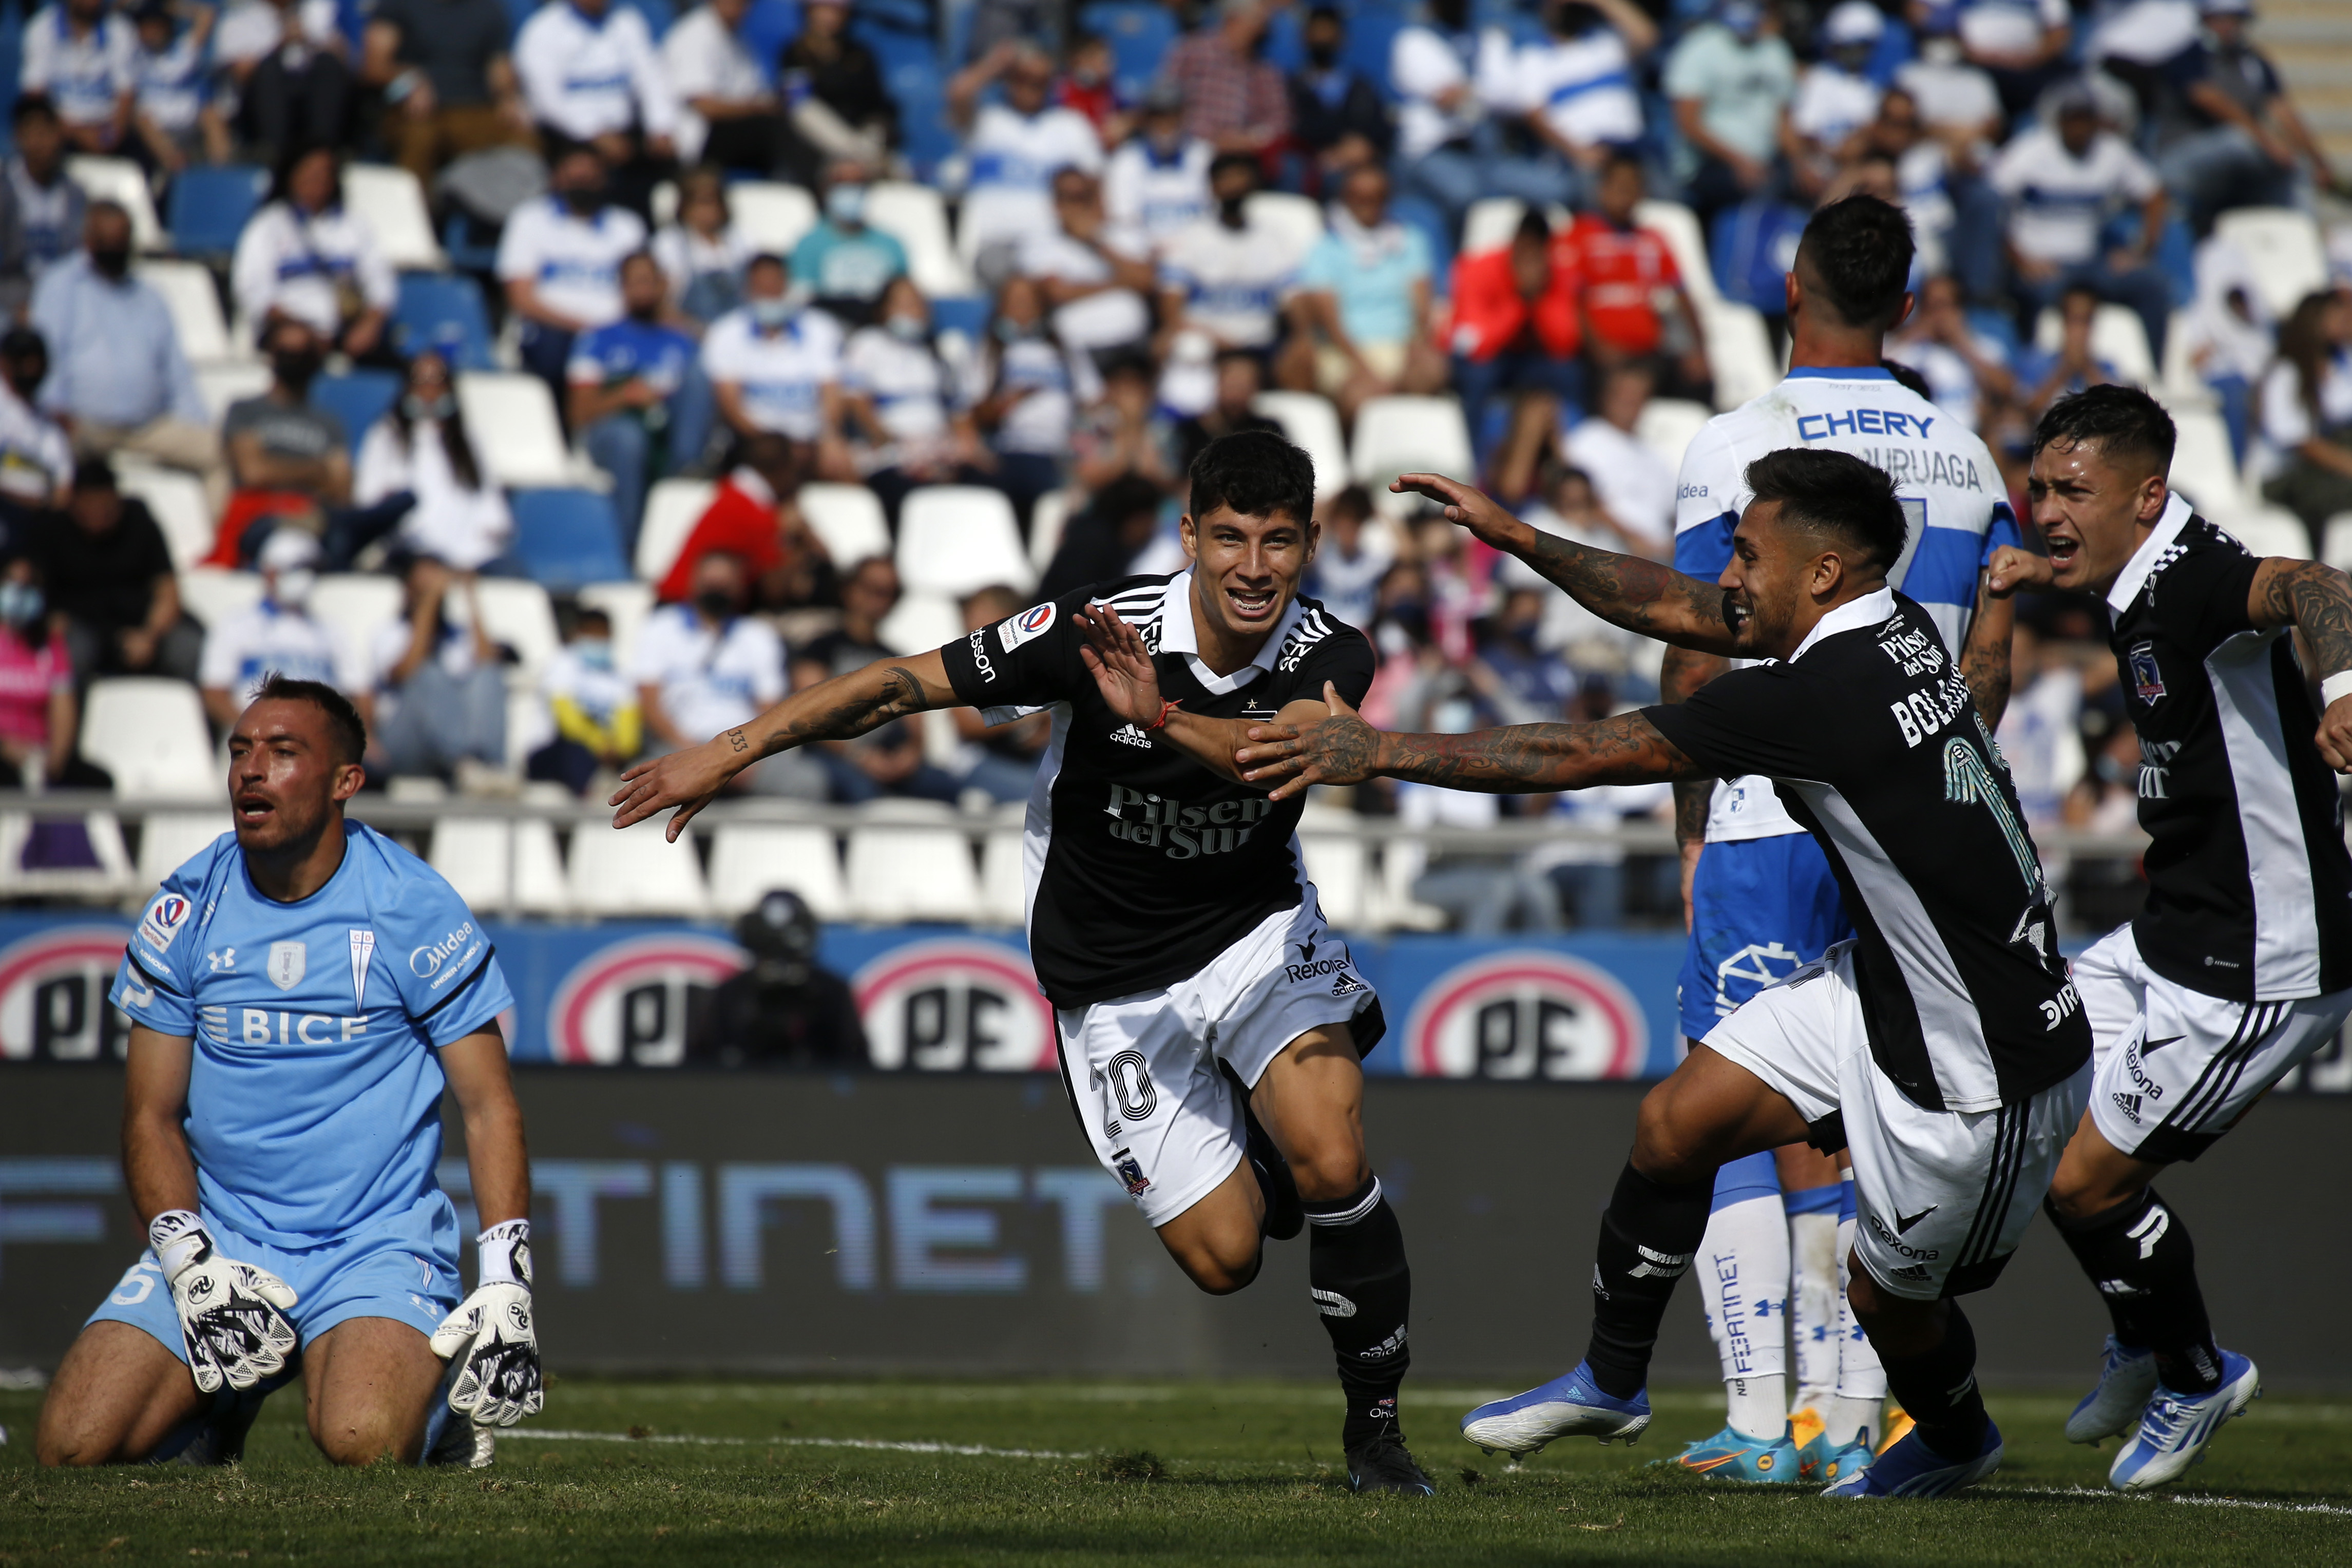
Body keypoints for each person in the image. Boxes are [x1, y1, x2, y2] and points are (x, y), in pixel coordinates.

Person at [1239, 443, 2087, 1500]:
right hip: (1887, 988)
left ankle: (1958, 1436)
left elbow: (1578, 755)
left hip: (1983, 1063)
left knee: (1886, 1300)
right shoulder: (1896, 624)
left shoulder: (1812, 699)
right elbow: (1685, 607)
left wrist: (1375, 752)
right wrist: (1517, 538)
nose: (1727, 577)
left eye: (1745, 554)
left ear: (1818, 574)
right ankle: (1612, 1379)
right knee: (1674, 1126)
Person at [614, 429, 1432, 1494]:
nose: (1251, 567)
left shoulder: (1333, 654)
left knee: (1334, 1154)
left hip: (1252, 933)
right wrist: (726, 751)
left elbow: (1266, 758)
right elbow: (900, 687)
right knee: (1226, 1258)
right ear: (1187, 538)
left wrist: (1163, 715)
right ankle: (1254, 1153)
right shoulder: (1092, 631)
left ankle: (1376, 1436)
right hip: (1110, 973)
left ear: (1311, 545)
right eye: (1227, 538)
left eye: (1278, 542)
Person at [1650, 193, 2020, 1484]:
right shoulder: (1966, 456)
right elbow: (1987, 659)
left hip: (1766, 805)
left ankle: (1763, 1420)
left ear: (1788, 291)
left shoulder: (1742, 441)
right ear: (1905, 304)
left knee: (1728, 1103)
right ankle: (1851, 1417)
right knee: (1863, 1109)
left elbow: (1706, 629)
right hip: (1915, 829)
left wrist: (1690, 822)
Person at [1982, 385, 2352, 1488]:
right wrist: (2015, 585)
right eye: (2038, 486)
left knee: (2084, 1186)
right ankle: (2141, 1338)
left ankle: (2193, 1372)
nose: (2045, 509)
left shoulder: (2192, 579)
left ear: (2146, 496)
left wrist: (2342, 684)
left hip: (2261, 965)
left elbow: (2315, 583)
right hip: (2167, 936)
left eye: (2070, 492)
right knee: (2030, 1093)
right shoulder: (2129, 573)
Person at [34, 675, 536, 1469]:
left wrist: (507, 1281)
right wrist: (189, 1261)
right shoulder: (186, 906)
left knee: (361, 1440)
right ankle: (220, 1405)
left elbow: (489, 1106)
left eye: (282, 751)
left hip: (376, 1239)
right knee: (73, 1447)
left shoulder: (414, 904)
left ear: (346, 782)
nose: (250, 769)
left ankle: (438, 1413)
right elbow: (149, 1117)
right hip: (225, 1234)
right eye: (240, 750)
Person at [33, 203, 222, 505]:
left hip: (147, 427)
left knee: (220, 450)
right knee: (49, 455)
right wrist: (57, 412)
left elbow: (176, 370)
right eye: (108, 242)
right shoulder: (61, 286)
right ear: (90, 240)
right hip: (84, 426)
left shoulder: (149, 297)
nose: (115, 249)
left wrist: (195, 421)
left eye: (121, 241)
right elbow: (47, 356)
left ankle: (214, 549)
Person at [1988, 84, 2174, 367]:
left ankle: (2157, 372)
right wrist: (2020, 260)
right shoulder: (2031, 151)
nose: (2079, 128)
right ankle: (2030, 371)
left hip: (2091, 262)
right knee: (2036, 296)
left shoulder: (2111, 152)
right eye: (2073, 120)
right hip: (2042, 265)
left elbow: (2155, 196)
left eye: (2085, 120)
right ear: (2060, 122)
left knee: (2151, 285)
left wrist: (2141, 251)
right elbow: (1992, 205)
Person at [2158, 0, 2344, 234]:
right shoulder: (2188, 55)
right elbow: (2207, 97)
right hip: (2183, 158)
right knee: (2240, 141)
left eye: (2236, 20)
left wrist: (2318, 162)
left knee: (2295, 167)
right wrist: (2265, 140)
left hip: (2240, 159)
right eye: (2223, 19)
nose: (2230, 27)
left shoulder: (2251, 61)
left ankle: (2301, 242)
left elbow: (2281, 110)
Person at [1286, 161, 1446, 421]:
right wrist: (1364, 367)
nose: (1368, 204)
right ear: (1346, 199)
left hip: (1400, 346)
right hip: (1347, 350)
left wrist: (1416, 347)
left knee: (1431, 372)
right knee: (1363, 398)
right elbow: (1330, 320)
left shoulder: (1411, 240)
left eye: (1377, 198)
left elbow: (1421, 304)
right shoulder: (1325, 248)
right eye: (1359, 197)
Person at [567, 251, 703, 557]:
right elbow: (578, 413)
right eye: (635, 282)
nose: (643, 290)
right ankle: (628, 545)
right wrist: (626, 395)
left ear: (662, 285)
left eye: (649, 281)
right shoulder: (599, 338)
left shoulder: (682, 341)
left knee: (702, 373)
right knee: (629, 440)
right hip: (613, 430)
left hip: (668, 433)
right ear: (621, 287)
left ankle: (684, 475)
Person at [630, 547, 792, 793]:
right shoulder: (661, 628)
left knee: (805, 781)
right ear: (695, 583)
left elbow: (769, 707)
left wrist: (743, 755)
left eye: (724, 585)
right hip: (678, 747)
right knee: (639, 786)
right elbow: (650, 704)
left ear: (739, 587)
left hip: (744, 752)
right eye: (710, 584)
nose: (717, 591)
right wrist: (697, 756)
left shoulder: (759, 635)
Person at [496, 148, 649, 400]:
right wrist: (584, 327)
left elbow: (641, 288)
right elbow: (520, 297)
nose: (582, 183)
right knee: (554, 352)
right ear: (557, 178)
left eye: (589, 177)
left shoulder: (627, 226)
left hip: (616, 332)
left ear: (603, 180)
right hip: (551, 329)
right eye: (575, 176)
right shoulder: (530, 219)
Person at [1560, 152, 1713, 402]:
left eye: (1633, 188)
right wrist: (1597, 347)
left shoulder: (1653, 240)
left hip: (1649, 354)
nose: (1626, 195)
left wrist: (1698, 350)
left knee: (1699, 384)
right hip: (1601, 356)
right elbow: (1571, 300)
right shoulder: (1578, 235)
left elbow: (1682, 296)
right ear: (1602, 189)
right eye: (1619, 187)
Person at [35, 454, 199, 683]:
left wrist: (149, 636)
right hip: (84, 628)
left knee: (189, 648)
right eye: (89, 507)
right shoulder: (53, 530)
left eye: (105, 508)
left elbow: (168, 590)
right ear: (74, 502)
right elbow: (41, 599)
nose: (98, 516)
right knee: (71, 655)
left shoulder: (139, 519)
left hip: (143, 627)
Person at [842, 276, 989, 526]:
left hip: (938, 451)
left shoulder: (940, 353)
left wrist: (965, 449)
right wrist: (902, 447)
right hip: (890, 453)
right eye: (902, 304)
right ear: (883, 310)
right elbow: (859, 406)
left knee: (986, 482)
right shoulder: (867, 345)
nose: (911, 312)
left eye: (916, 304)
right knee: (903, 493)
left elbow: (960, 415)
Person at [232, 145, 398, 364]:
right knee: (294, 344)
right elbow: (252, 288)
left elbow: (380, 279)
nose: (316, 179)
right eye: (309, 171)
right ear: (291, 175)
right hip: (289, 329)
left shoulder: (355, 225)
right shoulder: (267, 225)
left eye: (324, 172)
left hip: (345, 331)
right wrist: (303, 330)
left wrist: (371, 323)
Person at [512, 0, 679, 214]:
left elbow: (650, 77)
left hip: (625, 131)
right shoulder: (543, 30)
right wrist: (595, 134)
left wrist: (661, 126)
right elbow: (547, 101)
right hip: (569, 135)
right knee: (585, 170)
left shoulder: (626, 21)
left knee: (666, 163)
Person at [355, 350, 513, 574]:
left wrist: (484, 540)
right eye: (420, 381)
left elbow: (492, 504)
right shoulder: (386, 436)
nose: (429, 390)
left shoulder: (470, 439)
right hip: (411, 548)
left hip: (471, 553)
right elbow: (368, 498)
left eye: (436, 381)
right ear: (407, 387)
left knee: (512, 575)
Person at [197, 527, 371, 730]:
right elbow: (213, 695)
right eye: (298, 569)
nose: (307, 578)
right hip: (257, 738)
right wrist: (256, 734)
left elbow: (362, 694)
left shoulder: (332, 630)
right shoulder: (236, 625)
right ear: (270, 572)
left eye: (312, 570)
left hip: (321, 743)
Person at [948, 41, 1105, 265]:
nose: (1030, 86)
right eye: (1022, 78)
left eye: (1040, 81)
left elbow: (1097, 186)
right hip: (994, 245)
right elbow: (959, 93)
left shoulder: (1072, 125)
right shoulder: (986, 122)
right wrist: (995, 64)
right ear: (1009, 79)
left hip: (1056, 245)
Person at [1448, 211, 1584, 469]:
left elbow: (1566, 342)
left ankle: (1574, 463)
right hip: (1488, 359)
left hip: (1532, 360)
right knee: (1478, 375)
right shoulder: (1478, 267)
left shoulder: (1558, 275)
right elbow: (1476, 345)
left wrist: (1538, 297)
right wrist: (1520, 300)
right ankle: (1474, 465)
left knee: (1570, 374)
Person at [701, 254, 850, 479]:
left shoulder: (821, 328)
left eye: (776, 285)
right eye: (762, 287)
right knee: (772, 461)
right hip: (754, 440)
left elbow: (831, 392)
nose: (770, 293)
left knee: (843, 465)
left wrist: (828, 436)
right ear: (748, 289)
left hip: (811, 439)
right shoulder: (726, 332)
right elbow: (731, 405)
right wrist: (780, 447)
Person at [685, 889, 868, 1067]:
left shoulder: (831, 992)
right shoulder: (732, 993)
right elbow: (702, 1066)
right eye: (769, 958)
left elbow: (858, 1065)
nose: (780, 970)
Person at [369, 556, 508, 786]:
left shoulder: (457, 635)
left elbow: (488, 662)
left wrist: (470, 595)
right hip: (402, 742)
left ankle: (488, 767)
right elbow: (406, 673)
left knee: (489, 676)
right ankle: (464, 762)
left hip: (453, 748)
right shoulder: (389, 632)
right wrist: (430, 600)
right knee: (429, 674)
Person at [361, 0, 533, 185]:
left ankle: (517, 212)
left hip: (474, 110)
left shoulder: (490, 8)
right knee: (421, 138)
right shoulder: (398, 5)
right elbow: (373, 68)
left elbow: (499, 67)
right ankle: (416, 210)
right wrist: (408, 82)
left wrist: (508, 98)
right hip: (413, 111)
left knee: (525, 140)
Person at [1501, 0, 1655, 206]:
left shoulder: (1606, 42)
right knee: (1594, 204)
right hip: (1583, 157)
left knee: (1671, 201)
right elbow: (1534, 115)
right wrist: (1577, 152)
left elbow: (1647, 36)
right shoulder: (1535, 57)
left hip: (1632, 151)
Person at [1663, 0, 1798, 233]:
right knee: (1759, 188)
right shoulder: (1699, 47)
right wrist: (1740, 161)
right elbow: (1688, 124)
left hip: (1765, 161)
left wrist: (1803, 162)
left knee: (1802, 185)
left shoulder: (1774, 50)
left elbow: (1784, 123)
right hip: (1709, 164)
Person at [1157, 153, 1304, 361]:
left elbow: (1293, 299)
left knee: (1301, 356)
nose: (1234, 186)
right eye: (1226, 179)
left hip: (1260, 346)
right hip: (1206, 345)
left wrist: (1302, 339)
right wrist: (1212, 338)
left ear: (1254, 184)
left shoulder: (1274, 238)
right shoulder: (1188, 238)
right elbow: (1171, 307)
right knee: (1183, 347)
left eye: (1240, 177)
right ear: (1212, 188)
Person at [654, 432, 819, 605]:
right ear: (783, 469)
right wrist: (800, 543)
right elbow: (775, 590)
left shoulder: (733, 493)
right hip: (687, 611)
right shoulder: (755, 513)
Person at [970, 275, 1077, 532]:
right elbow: (973, 410)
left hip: (1060, 452)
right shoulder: (990, 350)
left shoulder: (1063, 348)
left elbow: (1091, 399)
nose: (1022, 310)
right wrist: (1007, 403)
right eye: (1014, 302)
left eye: (1028, 301)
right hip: (1010, 451)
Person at [1020, 166, 1156, 363]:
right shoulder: (1041, 243)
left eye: (1085, 197)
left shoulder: (1122, 234)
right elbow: (1056, 292)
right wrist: (1122, 283)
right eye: (1071, 199)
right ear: (1057, 205)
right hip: (1078, 351)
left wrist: (1097, 243)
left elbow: (1146, 281)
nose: (1080, 207)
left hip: (1132, 346)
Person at [0, 552, 109, 788]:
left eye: (28, 586)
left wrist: (53, 761)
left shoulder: (50, 646)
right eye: (12, 583)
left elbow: (63, 711)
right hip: (3, 755)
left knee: (99, 782)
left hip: (38, 753)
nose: (19, 593)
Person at [2257, 290, 2352, 552]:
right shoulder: (2286, 372)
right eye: (2338, 315)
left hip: (2325, 472)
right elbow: (2300, 443)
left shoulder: (2338, 367)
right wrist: (2347, 464)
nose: (2347, 321)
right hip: (2286, 478)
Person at [215, 0, 354, 159]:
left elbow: (345, 61)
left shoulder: (318, 11)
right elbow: (243, 75)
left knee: (327, 65)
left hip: (309, 96)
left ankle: (322, 155)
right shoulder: (241, 17)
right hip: (257, 110)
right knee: (270, 71)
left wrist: (311, 41)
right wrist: (281, 43)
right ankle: (276, 156)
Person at [661, 0, 788, 173]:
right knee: (771, 129)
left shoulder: (739, 40)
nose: (738, 6)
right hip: (698, 139)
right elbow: (704, 106)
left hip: (732, 130)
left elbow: (755, 90)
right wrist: (758, 108)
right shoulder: (693, 35)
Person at [528, 604, 641, 795]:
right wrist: (602, 746)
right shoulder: (561, 665)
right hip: (555, 752)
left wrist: (620, 750)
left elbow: (629, 729)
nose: (598, 640)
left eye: (602, 635)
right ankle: (592, 795)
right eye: (592, 634)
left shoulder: (620, 677)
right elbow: (568, 722)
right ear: (578, 634)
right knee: (576, 752)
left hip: (605, 755)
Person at [775, 0, 894, 179]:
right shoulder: (794, 53)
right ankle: (856, 158)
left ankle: (860, 161)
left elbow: (877, 106)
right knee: (803, 110)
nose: (830, 18)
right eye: (823, 10)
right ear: (809, 12)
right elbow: (797, 104)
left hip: (862, 135)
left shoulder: (861, 54)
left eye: (837, 11)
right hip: (817, 145)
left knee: (878, 129)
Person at [1561, 362, 1673, 550]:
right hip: (1611, 552)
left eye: (1638, 396)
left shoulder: (1653, 453)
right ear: (1605, 396)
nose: (1630, 402)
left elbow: (1672, 513)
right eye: (1624, 394)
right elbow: (1583, 502)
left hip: (1662, 555)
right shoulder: (1585, 441)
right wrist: (1632, 540)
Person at [1163, 0, 1290, 159]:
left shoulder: (1265, 69)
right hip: (1191, 144)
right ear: (1232, 20)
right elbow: (1165, 99)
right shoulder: (1191, 50)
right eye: (1256, 24)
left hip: (1244, 152)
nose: (1262, 32)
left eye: (1263, 27)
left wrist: (1251, 138)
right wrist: (1209, 136)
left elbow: (1280, 119)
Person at [788, 160, 909, 324]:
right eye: (842, 183)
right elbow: (803, 301)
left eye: (858, 184)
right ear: (824, 190)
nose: (851, 190)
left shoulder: (892, 244)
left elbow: (902, 298)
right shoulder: (808, 245)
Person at [1103, 79, 1215, 251]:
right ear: (1146, 119)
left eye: (1173, 115)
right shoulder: (1126, 160)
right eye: (1159, 116)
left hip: (1197, 255)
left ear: (1184, 116)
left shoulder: (1204, 155)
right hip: (1146, 256)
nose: (1166, 124)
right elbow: (1125, 221)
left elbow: (1212, 216)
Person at [1287, 6, 1391, 187]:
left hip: (1359, 164)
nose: (1323, 38)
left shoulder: (1361, 86)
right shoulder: (1290, 86)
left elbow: (1381, 127)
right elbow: (1292, 127)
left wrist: (1365, 145)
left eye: (1329, 31)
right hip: (1312, 166)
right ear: (1305, 37)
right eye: (1317, 31)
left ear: (1342, 38)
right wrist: (1334, 151)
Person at [6, 96, 92, 305]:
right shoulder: (5, 189)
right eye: (32, 135)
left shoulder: (76, 195)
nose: (40, 144)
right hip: (10, 293)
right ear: (19, 137)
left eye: (46, 134)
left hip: (64, 297)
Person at [20, 0, 136, 155]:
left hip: (107, 133)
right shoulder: (41, 28)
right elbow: (35, 96)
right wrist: (77, 134)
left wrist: (109, 139)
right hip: (59, 132)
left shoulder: (119, 29)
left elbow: (126, 94)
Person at [129, 0, 230, 173]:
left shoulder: (184, 49)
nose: (152, 33)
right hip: (157, 128)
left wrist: (170, 8)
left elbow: (207, 15)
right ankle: (177, 169)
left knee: (211, 113)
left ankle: (221, 171)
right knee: (142, 120)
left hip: (190, 122)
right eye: (147, 28)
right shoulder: (135, 56)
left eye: (157, 27)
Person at [654, 165, 753, 324]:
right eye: (701, 203)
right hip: (693, 329)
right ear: (685, 206)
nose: (708, 210)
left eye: (713, 202)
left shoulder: (740, 239)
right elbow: (665, 304)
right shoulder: (670, 243)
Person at [0, 325, 79, 524]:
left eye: (37, 362)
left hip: (34, 523)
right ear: (4, 362)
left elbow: (62, 491)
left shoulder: (49, 425)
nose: (31, 369)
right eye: (24, 361)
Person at [1173, 348, 1282, 476]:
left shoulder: (1269, 432)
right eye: (1232, 385)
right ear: (1218, 383)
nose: (1236, 395)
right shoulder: (1188, 431)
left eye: (1244, 386)